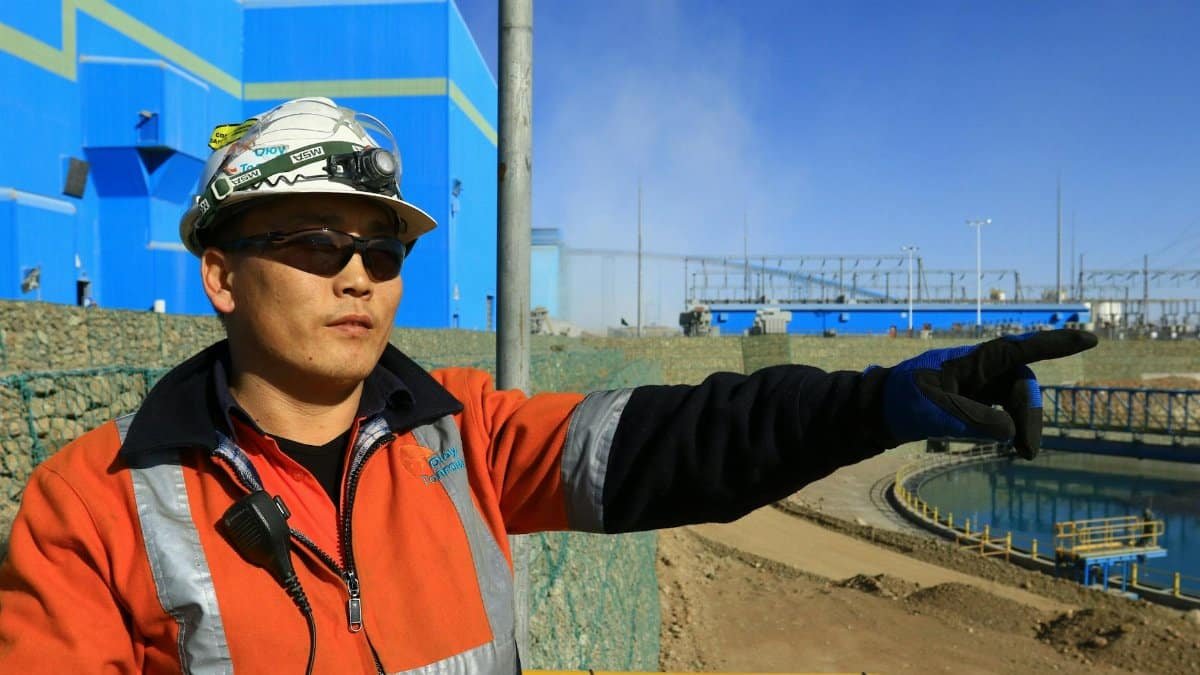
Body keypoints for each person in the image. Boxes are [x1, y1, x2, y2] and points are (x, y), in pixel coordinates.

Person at [0, 97, 1098, 674]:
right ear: (220, 276)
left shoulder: (461, 434)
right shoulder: (93, 508)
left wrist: (883, 402)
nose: (355, 273)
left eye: (381, 252)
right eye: (313, 240)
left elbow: (691, 440)